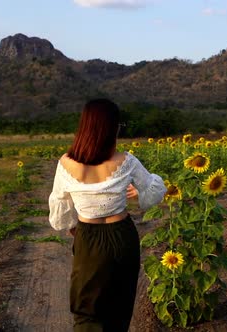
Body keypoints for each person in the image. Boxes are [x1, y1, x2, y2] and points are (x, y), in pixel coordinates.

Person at [48, 98, 166, 331]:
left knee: (86, 308)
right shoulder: (126, 161)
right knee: (119, 306)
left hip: (88, 237)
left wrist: (74, 226)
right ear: (112, 128)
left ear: (85, 127)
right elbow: (153, 189)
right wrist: (135, 195)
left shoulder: (66, 164)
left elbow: (60, 210)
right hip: (122, 235)